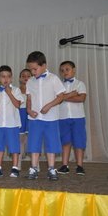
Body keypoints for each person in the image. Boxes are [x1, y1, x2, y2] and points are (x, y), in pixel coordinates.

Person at [26, 51, 65, 181]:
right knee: (34, 144)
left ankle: (51, 168)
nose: (32, 72)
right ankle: (33, 168)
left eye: (35, 69)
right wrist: (29, 110)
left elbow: (61, 96)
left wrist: (49, 105)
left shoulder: (53, 78)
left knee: (51, 144)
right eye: (30, 69)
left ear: (44, 65)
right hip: (35, 119)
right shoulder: (30, 81)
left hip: (51, 118)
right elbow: (29, 98)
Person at [0, 66, 24, 177]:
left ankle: (15, 168)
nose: (6, 79)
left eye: (8, 76)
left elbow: (18, 104)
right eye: (3, 77)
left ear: (11, 78)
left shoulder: (16, 90)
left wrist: (9, 93)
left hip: (12, 123)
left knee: (14, 146)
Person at [57, 61, 87, 175]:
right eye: (62, 70)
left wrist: (64, 97)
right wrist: (73, 94)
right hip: (63, 117)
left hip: (78, 117)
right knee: (65, 141)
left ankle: (80, 166)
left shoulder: (80, 84)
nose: (65, 72)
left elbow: (81, 98)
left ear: (73, 70)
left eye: (67, 69)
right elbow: (57, 98)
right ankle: (65, 165)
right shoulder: (59, 85)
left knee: (79, 141)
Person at [17, 69, 32, 170]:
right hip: (20, 115)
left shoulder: (34, 89)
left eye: (28, 76)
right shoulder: (16, 90)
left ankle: (35, 164)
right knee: (20, 140)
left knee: (33, 139)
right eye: (23, 76)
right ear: (20, 78)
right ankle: (18, 164)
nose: (26, 78)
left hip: (31, 115)